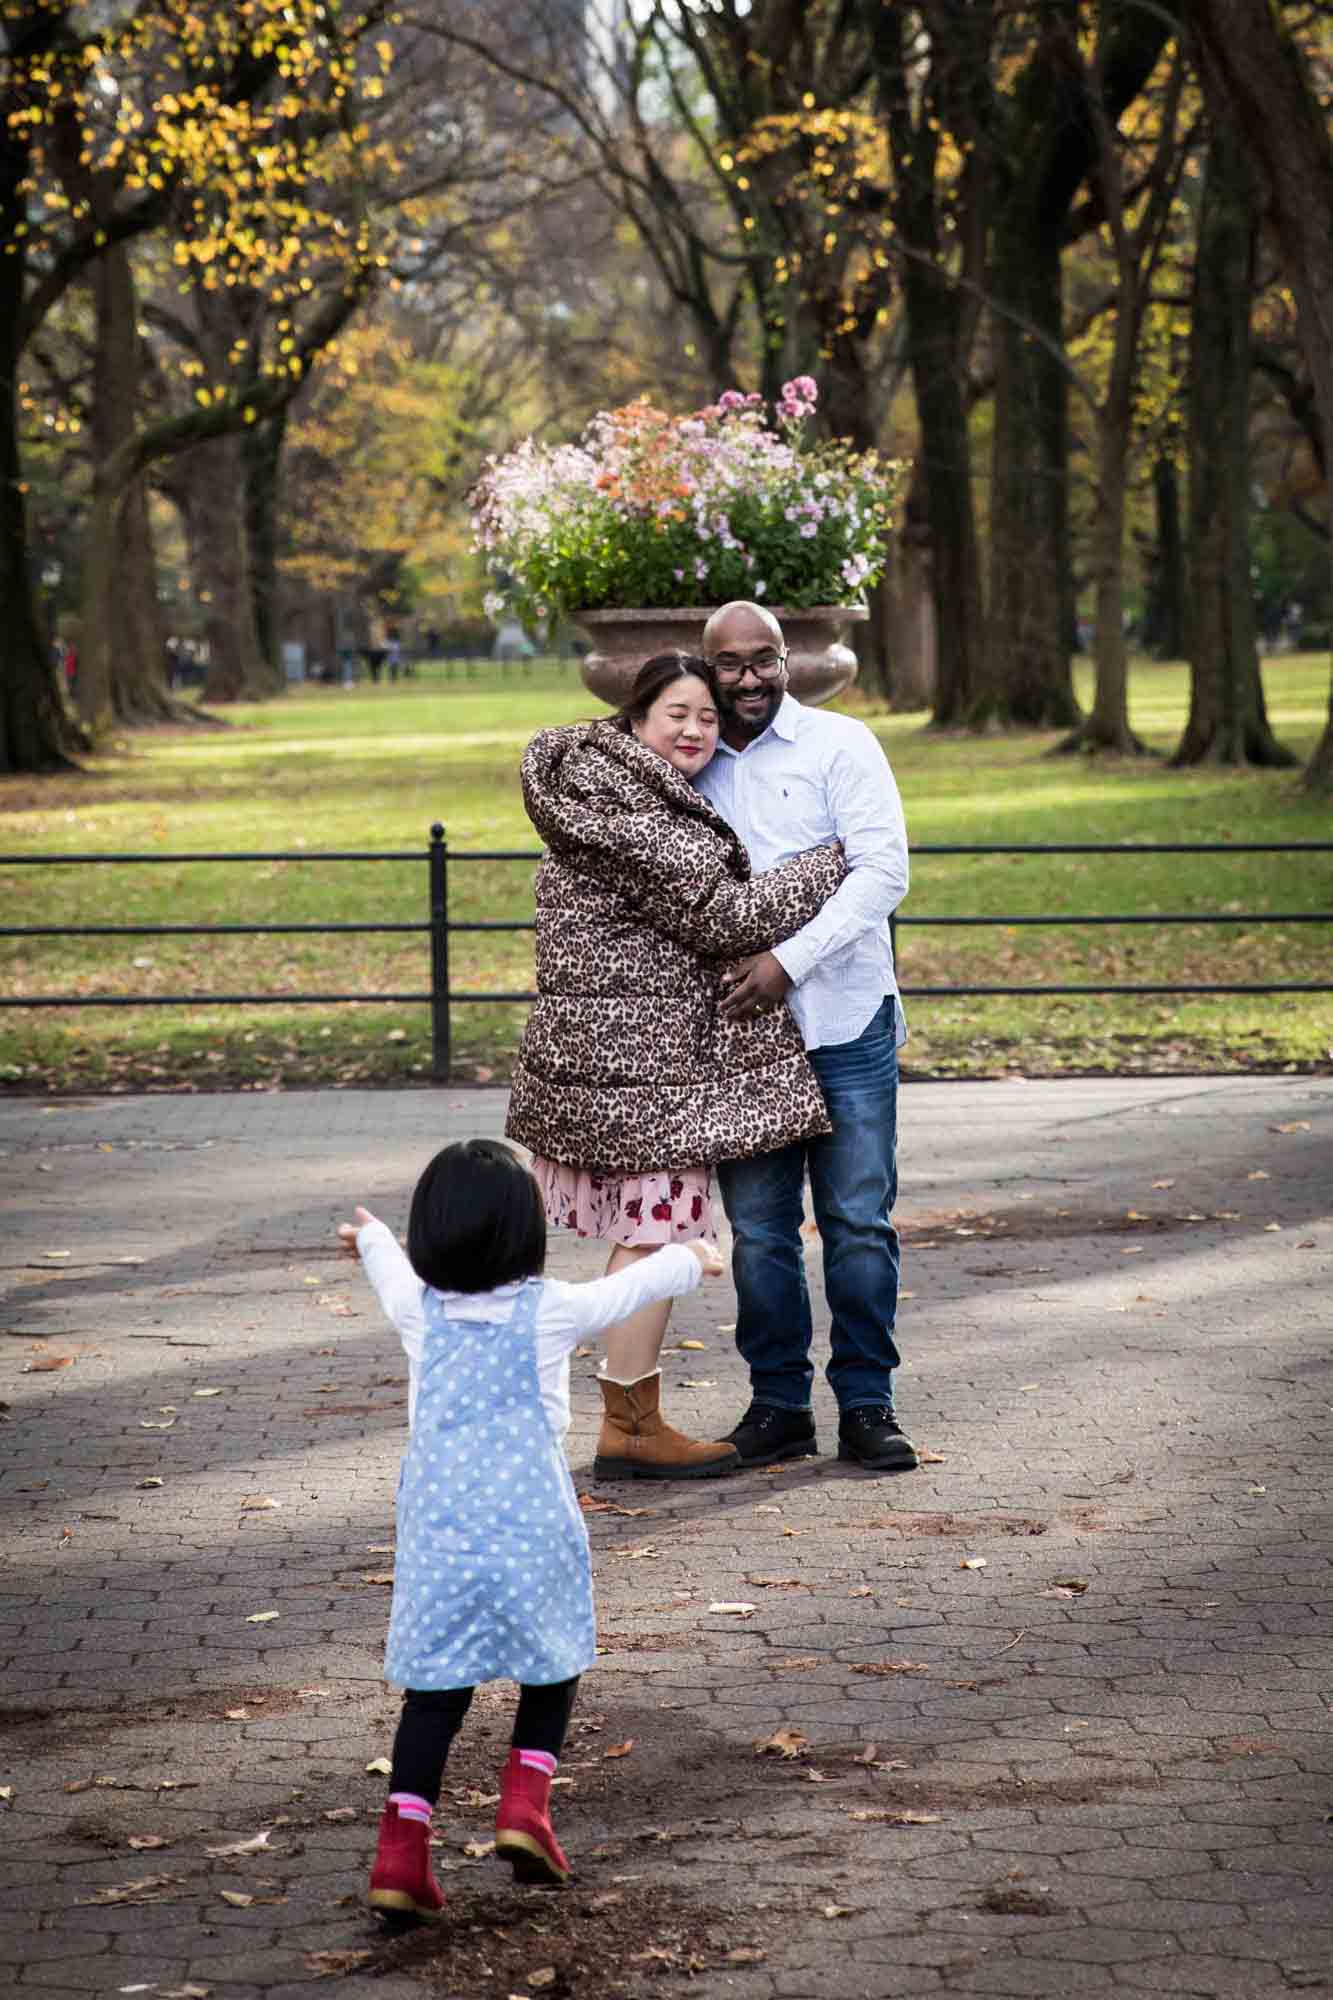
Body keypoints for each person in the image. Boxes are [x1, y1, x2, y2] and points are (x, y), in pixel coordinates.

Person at [338, 1137, 723, 1919]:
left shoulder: (420, 1306)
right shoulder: (548, 1309)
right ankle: (524, 1810)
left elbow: (388, 1272)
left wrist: (371, 1238)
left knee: (434, 1692)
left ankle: (400, 1855)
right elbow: (632, 1287)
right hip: (532, 1525)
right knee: (552, 1665)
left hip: (441, 1535)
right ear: (527, 1232)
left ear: (432, 1234)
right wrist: (694, 1257)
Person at [505, 652, 847, 1481]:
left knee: (651, 1228)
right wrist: (833, 857)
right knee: (658, 1229)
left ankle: (633, 1417)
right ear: (634, 719)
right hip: (643, 1070)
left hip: (622, 1061)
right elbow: (726, 914)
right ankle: (630, 1426)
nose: (695, 731)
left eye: (707, 718)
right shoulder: (636, 814)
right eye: (677, 715)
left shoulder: (607, 789)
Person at [692, 601, 918, 1475]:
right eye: (730, 664)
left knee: (858, 1222)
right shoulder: (687, 764)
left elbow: (882, 870)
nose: (748, 677)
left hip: (844, 1019)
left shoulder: (840, 745)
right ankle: (779, 1406)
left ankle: (867, 1404)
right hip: (742, 1040)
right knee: (759, 1232)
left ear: (788, 659)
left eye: (763, 659)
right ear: (707, 668)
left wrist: (788, 960)